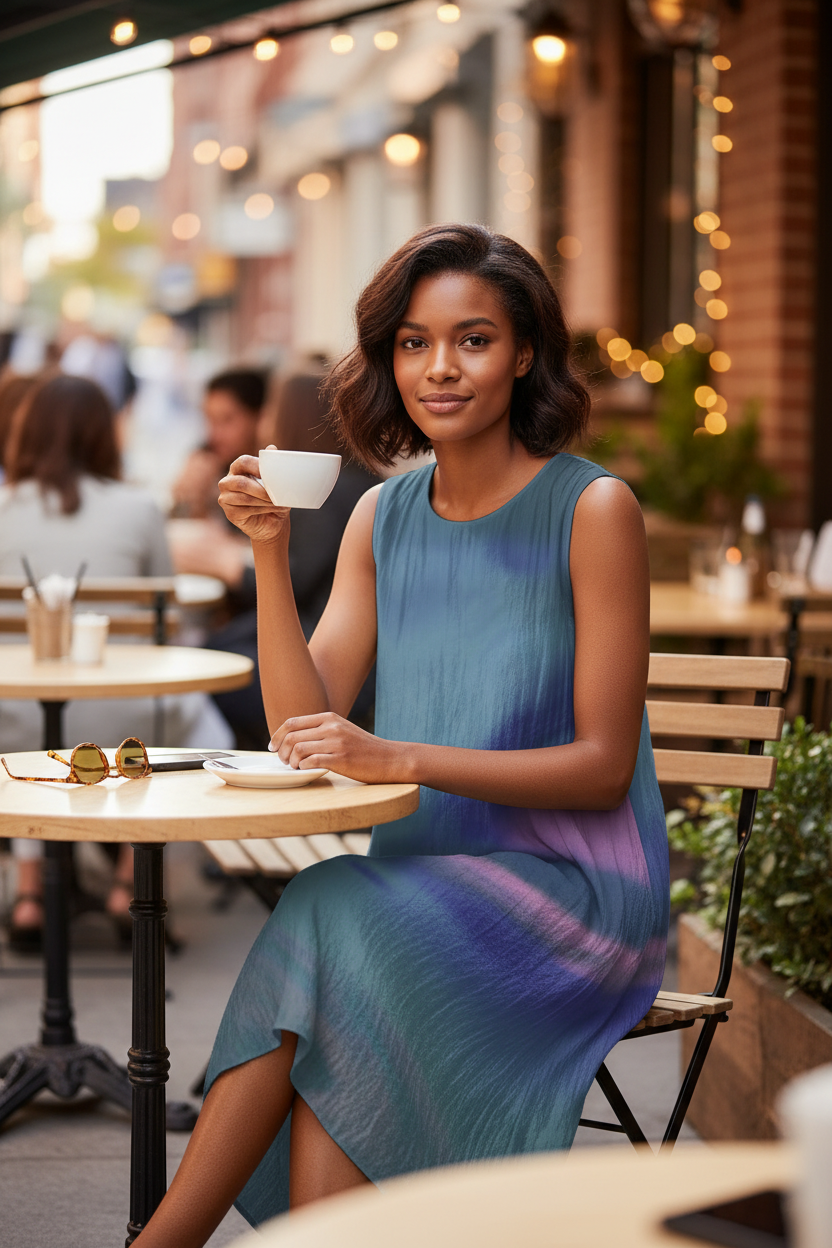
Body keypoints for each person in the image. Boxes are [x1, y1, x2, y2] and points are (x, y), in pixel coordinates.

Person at [139, 224, 669, 1248]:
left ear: (522, 353)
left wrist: (400, 757)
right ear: (388, 357)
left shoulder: (593, 509)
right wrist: (267, 553)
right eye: (414, 343)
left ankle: (160, 1242)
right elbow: (304, 723)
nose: (440, 368)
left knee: (333, 905)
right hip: (419, 883)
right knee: (340, 934)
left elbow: (603, 769)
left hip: (578, 901)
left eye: (472, 339)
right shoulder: (382, 516)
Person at [0, 373, 231, 950]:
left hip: (16, 717)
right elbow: (168, 621)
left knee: (32, 732)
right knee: (204, 729)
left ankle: (30, 893)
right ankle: (131, 879)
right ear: (104, 434)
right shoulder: (137, 507)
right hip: (128, 720)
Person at [187, 371, 380, 747]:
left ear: (293, 415)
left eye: (270, 410)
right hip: (325, 650)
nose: (263, 422)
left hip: (330, 662)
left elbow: (297, 575)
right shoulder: (358, 486)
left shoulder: (335, 495)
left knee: (208, 662)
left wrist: (226, 560)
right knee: (211, 649)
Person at [171, 368, 267, 519]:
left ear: (260, 418)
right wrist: (189, 500)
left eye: (226, 419)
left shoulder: (273, 476)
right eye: (209, 420)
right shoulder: (207, 457)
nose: (214, 434)